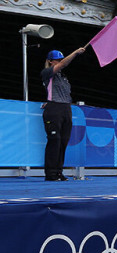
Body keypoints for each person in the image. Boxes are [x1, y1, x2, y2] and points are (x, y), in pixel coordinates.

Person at [40, 46, 86, 181]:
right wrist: (76, 52)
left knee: (63, 142)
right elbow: (64, 64)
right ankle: (50, 173)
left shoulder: (64, 77)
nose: (60, 62)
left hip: (66, 109)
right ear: (50, 61)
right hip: (54, 110)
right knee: (54, 140)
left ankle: (59, 171)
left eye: (60, 59)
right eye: (57, 60)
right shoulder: (47, 73)